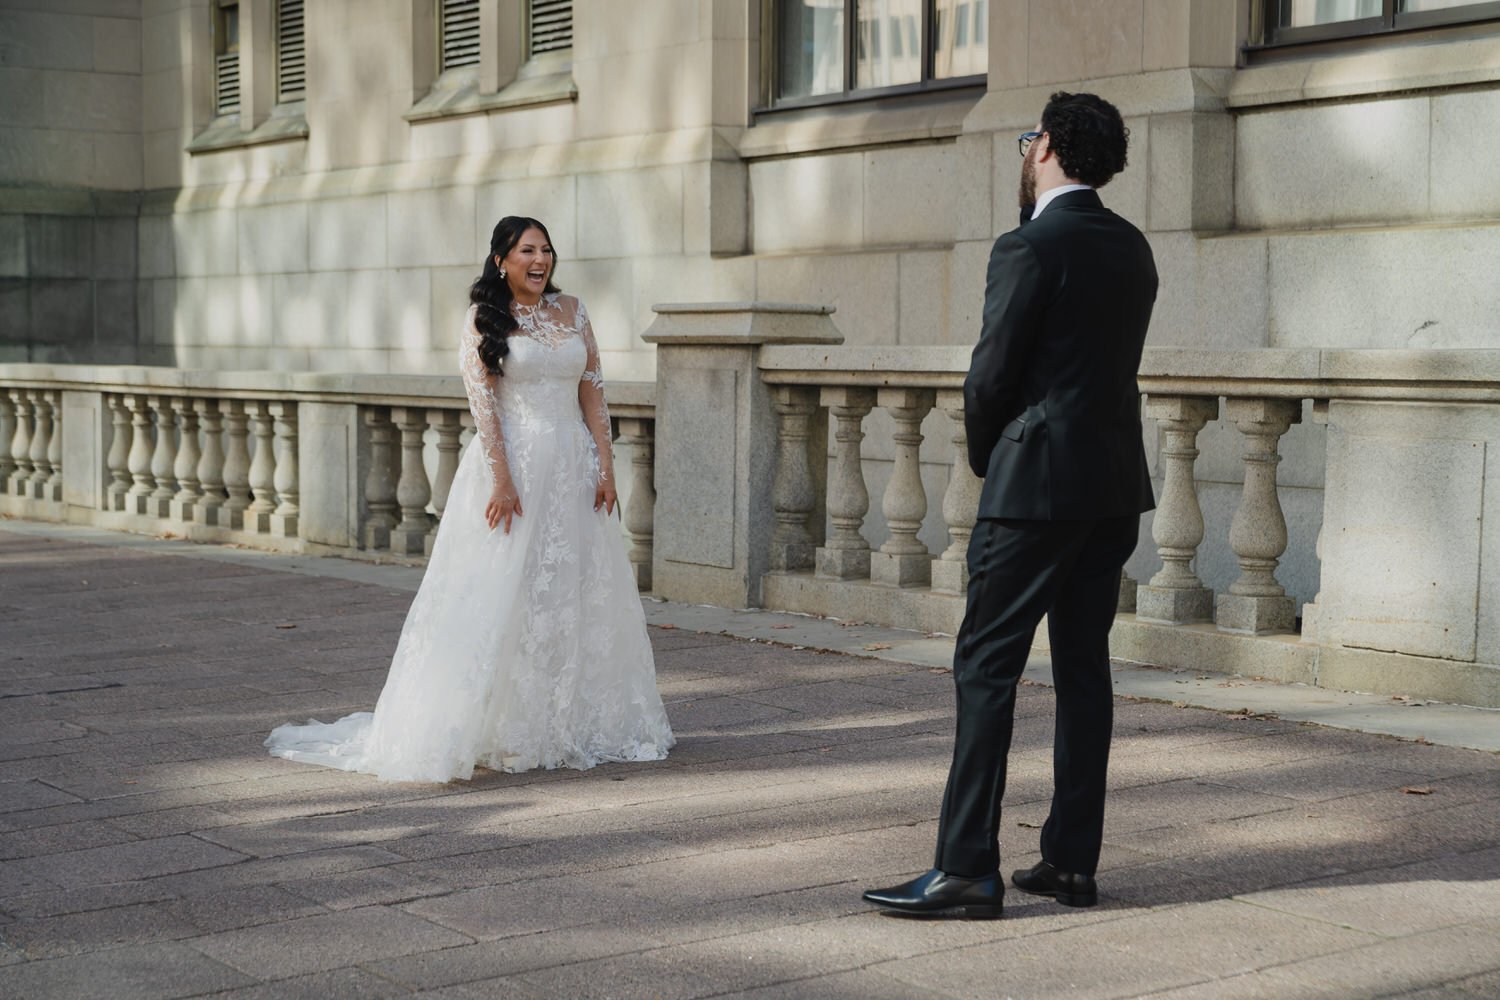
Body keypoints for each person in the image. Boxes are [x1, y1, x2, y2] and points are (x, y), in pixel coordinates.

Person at [863, 93, 1158, 918]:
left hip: (1036, 489)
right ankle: (1069, 861)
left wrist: (997, 457)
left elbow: (990, 377)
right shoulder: (1133, 249)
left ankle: (965, 867)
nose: (1025, 150)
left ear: (1048, 148)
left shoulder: (1028, 245)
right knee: (1082, 669)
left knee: (986, 665)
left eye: (1029, 137)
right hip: (1111, 490)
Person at [266, 216, 675, 782]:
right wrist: (502, 480)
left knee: (570, 589)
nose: (540, 260)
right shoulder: (483, 319)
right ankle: (501, 728)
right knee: (501, 593)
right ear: (502, 260)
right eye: (527, 250)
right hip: (515, 469)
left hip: (572, 469)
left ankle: (571, 721)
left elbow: (593, 391)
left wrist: (605, 465)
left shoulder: (573, 311)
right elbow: (484, 407)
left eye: (547, 250)